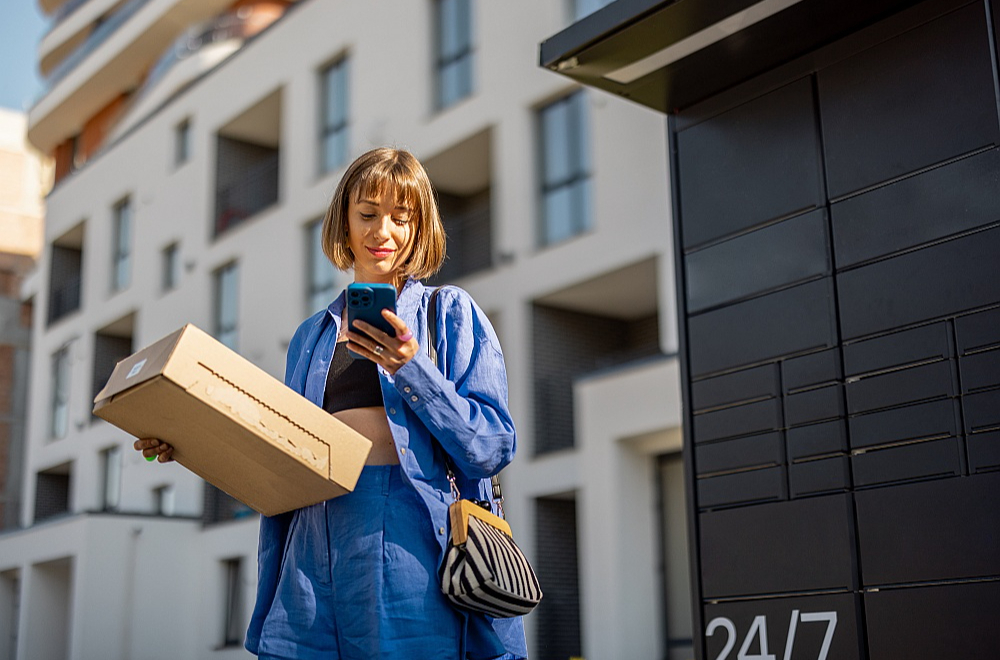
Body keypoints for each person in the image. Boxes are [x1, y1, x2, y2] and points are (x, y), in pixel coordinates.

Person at [134, 147, 528, 660]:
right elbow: (280, 451)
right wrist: (186, 437)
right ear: (344, 222)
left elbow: (492, 446)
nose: (381, 232)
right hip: (310, 551)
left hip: (413, 547)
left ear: (420, 228)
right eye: (367, 214)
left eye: (400, 218)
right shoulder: (310, 337)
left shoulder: (448, 314)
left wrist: (411, 366)